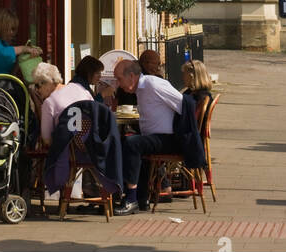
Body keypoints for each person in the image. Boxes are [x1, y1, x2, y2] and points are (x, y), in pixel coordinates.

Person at [112, 57, 188, 214]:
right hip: (155, 137)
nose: (118, 84)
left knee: (133, 143)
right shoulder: (140, 89)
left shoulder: (152, 84)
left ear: (131, 76)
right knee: (126, 142)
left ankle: (131, 199)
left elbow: (183, 103)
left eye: (119, 79)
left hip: (170, 138)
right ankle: (141, 199)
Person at [33, 62, 96, 145]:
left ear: (47, 82)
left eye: (37, 86)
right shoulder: (80, 88)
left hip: (67, 154)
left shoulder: (49, 102)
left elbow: (47, 140)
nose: (37, 90)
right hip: (92, 148)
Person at [0, 8, 40, 83]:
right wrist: (23, 48)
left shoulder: (2, 42)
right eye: (12, 29)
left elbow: (11, 71)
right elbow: (3, 53)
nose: (13, 33)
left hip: (1, 85)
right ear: (3, 26)